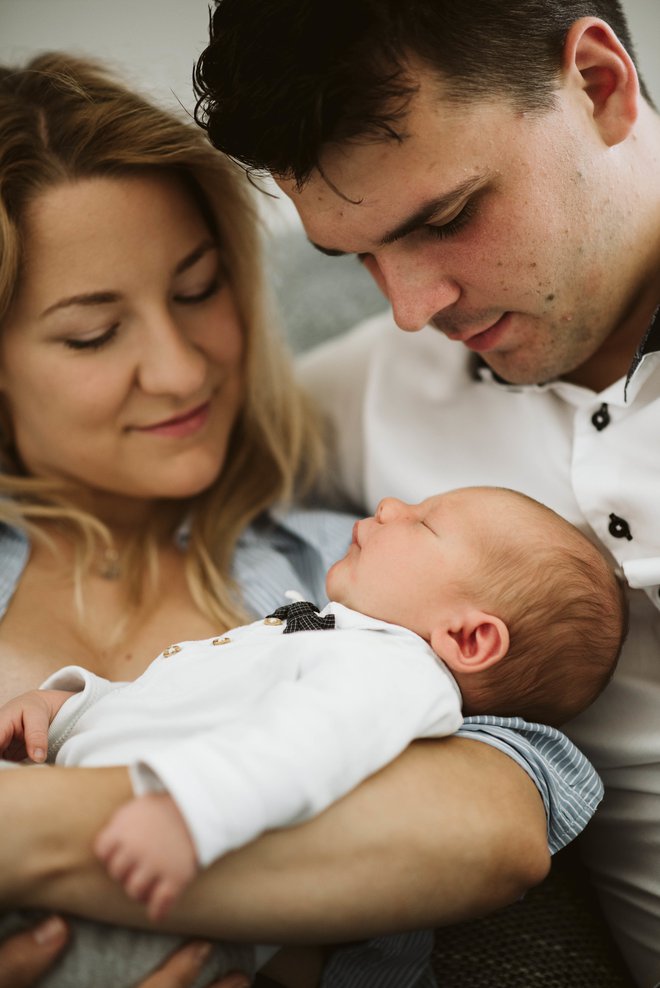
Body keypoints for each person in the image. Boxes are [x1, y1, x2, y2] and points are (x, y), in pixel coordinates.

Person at [0, 47, 614, 988]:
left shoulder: (350, 580)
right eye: (93, 332)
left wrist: (32, 831)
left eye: (198, 290)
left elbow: (491, 829)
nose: (179, 369)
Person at [190, 1, 660, 984]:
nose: (410, 310)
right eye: (357, 256)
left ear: (599, 85)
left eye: (446, 218)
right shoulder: (363, 389)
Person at [0, 487, 626, 929]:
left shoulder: (392, 672)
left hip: (154, 879)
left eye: (424, 523)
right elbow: (170, 701)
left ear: (468, 639)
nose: (388, 507)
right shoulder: (327, 637)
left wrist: (192, 810)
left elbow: (305, 743)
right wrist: (66, 706)